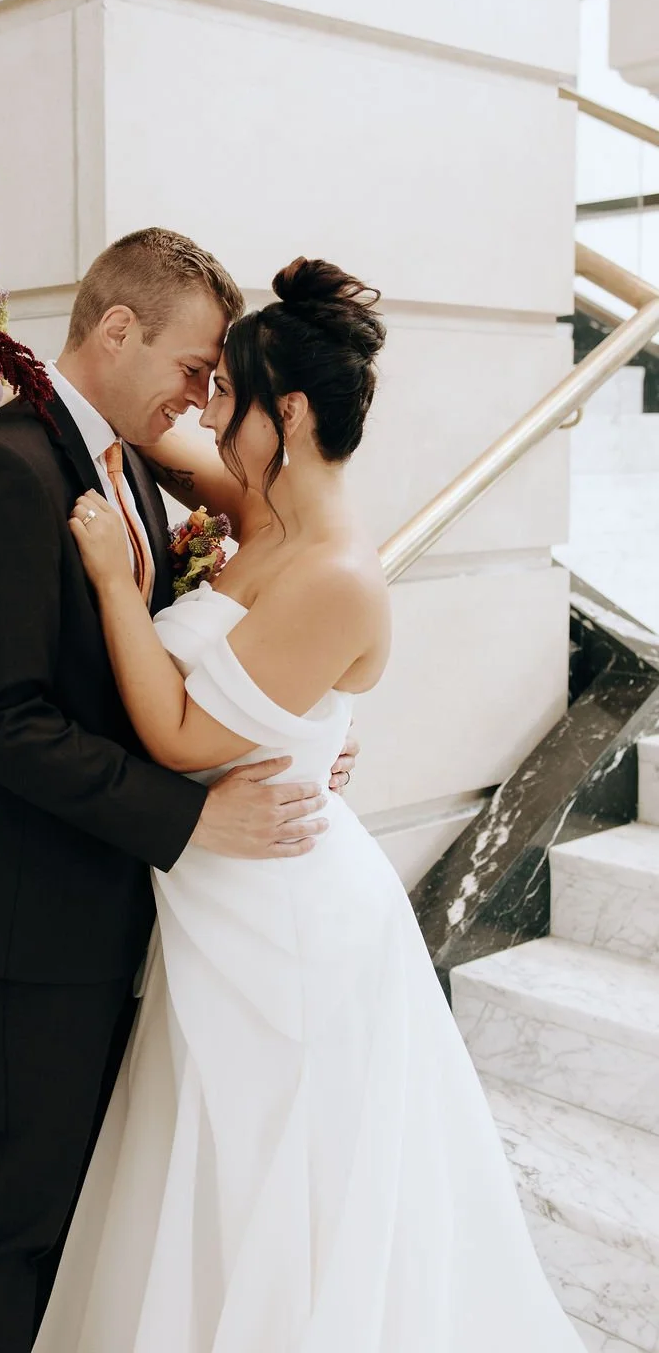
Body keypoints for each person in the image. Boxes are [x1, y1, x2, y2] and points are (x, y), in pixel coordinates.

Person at [36, 257, 582, 1352]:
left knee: (281, 1188)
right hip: (218, 896)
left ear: (284, 412)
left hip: (284, 921)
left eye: (225, 396)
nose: (205, 411)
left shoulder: (335, 571)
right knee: (211, 1171)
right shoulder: (260, 508)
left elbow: (179, 735)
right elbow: (146, 431)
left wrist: (109, 583)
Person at [0, 229, 359, 1353]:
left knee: (83, 1215)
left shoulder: (128, 466)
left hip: (115, 901)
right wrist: (196, 814)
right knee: (14, 1216)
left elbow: (165, 671)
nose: (202, 399)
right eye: (195, 368)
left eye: (218, 382)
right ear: (114, 331)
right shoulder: (3, 469)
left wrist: (280, 743)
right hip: (26, 914)